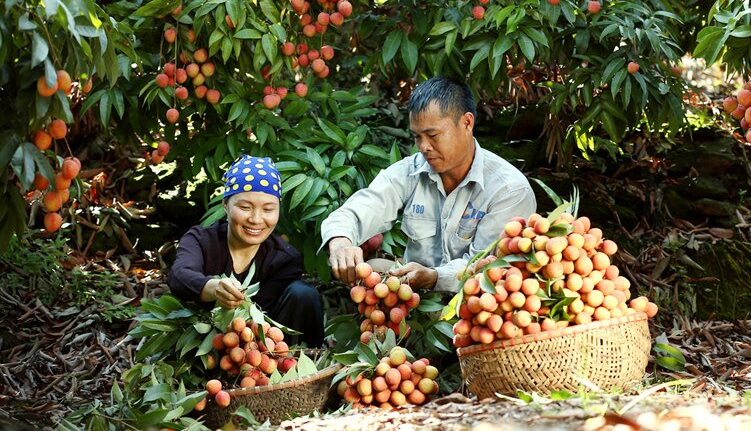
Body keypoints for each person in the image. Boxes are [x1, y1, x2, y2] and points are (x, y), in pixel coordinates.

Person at [322, 76, 536, 293]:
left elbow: (486, 267)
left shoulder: (509, 189)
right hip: (413, 300)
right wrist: (340, 241)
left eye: (433, 135)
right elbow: (360, 209)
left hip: (479, 307)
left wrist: (434, 277)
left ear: (467, 123)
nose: (424, 147)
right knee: (372, 269)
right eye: (417, 136)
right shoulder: (410, 172)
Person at [168, 155, 325, 347]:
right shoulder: (201, 240)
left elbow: (272, 316)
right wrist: (213, 288)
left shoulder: (284, 258)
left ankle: (306, 369)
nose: (256, 219)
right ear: (225, 205)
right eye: (245, 207)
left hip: (262, 349)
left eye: (268, 209)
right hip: (205, 344)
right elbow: (179, 276)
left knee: (303, 294)